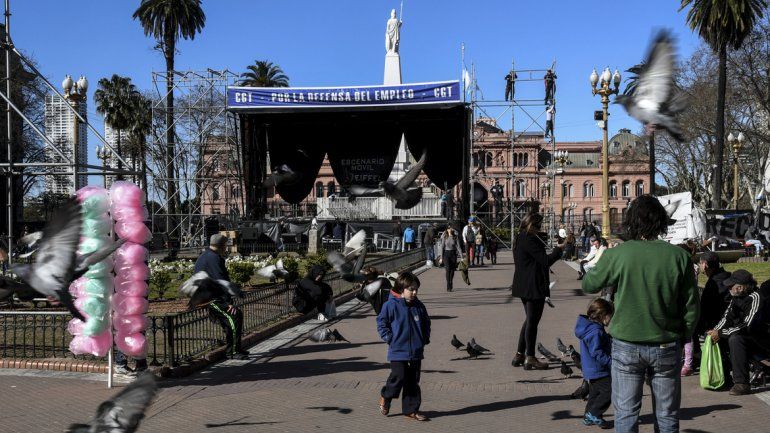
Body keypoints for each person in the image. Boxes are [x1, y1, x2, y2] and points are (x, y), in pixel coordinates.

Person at [582, 195, 700, 433]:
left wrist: (605, 255)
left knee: (626, 413)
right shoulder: (679, 256)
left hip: (627, 342)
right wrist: (685, 335)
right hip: (666, 342)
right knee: (667, 415)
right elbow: (691, 305)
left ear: (631, 222)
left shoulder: (619, 254)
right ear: (661, 222)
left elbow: (589, 284)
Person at [511, 212, 563, 370]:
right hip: (533, 286)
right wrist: (558, 250)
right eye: (538, 226)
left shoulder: (520, 237)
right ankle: (531, 357)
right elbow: (545, 261)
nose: (540, 229)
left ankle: (520, 354)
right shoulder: (529, 239)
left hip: (524, 285)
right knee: (532, 322)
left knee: (529, 320)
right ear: (531, 225)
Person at [377, 271, 431, 421]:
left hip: (416, 351)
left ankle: (411, 410)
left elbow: (426, 323)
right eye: (411, 289)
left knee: (413, 381)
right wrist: (389, 337)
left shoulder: (419, 306)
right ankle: (386, 396)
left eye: (416, 289)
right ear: (402, 288)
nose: (414, 292)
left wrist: (425, 338)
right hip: (397, 350)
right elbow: (382, 323)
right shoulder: (390, 305)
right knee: (398, 377)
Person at [708, 269, 770, 395]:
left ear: (741, 287)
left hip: (761, 339)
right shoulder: (735, 298)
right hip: (747, 336)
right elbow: (727, 318)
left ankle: (741, 383)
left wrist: (721, 333)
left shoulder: (756, 297)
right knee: (717, 337)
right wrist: (715, 331)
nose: (728, 289)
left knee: (735, 339)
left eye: (731, 286)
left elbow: (748, 325)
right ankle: (724, 377)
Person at [194, 234, 249, 360]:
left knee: (231, 318)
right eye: (225, 246)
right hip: (211, 298)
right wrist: (228, 301)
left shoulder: (206, 255)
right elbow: (221, 280)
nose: (226, 249)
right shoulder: (214, 258)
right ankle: (233, 351)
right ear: (222, 246)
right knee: (234, 316)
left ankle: (235, 347)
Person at [681, 252, 731, 376]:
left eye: (700, 263)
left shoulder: (714, 283)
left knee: (689, 325)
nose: (699, 265)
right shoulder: (725, 276)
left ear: (705, 264)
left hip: (715, 323)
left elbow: (708, 308)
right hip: (720, 319)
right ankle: (696, 355)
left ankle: (694, 358)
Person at [575, 298, 614, 429]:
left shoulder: (589, 327)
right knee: (609, 391)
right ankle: (594, 414)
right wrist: (611, 362)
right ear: (602, 315)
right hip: (599, 369)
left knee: (595, 393)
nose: (610, 320)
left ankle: (588, 416)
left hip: (590, 369)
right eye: (610, 316)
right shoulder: (596, 331)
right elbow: (597, 352)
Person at [438, 226, 463, 292]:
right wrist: (441, 258)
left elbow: (458, 247)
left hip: (453, 254)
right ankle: (448, 284)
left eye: (451, 228)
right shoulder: (445, 237)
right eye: (449, 228)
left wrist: (462, 257)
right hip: (446, 254)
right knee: (448, 269)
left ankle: (451, 282)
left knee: (452, 270)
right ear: (447, 229)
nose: (450, 229)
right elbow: (442, 247)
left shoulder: (455, 237)